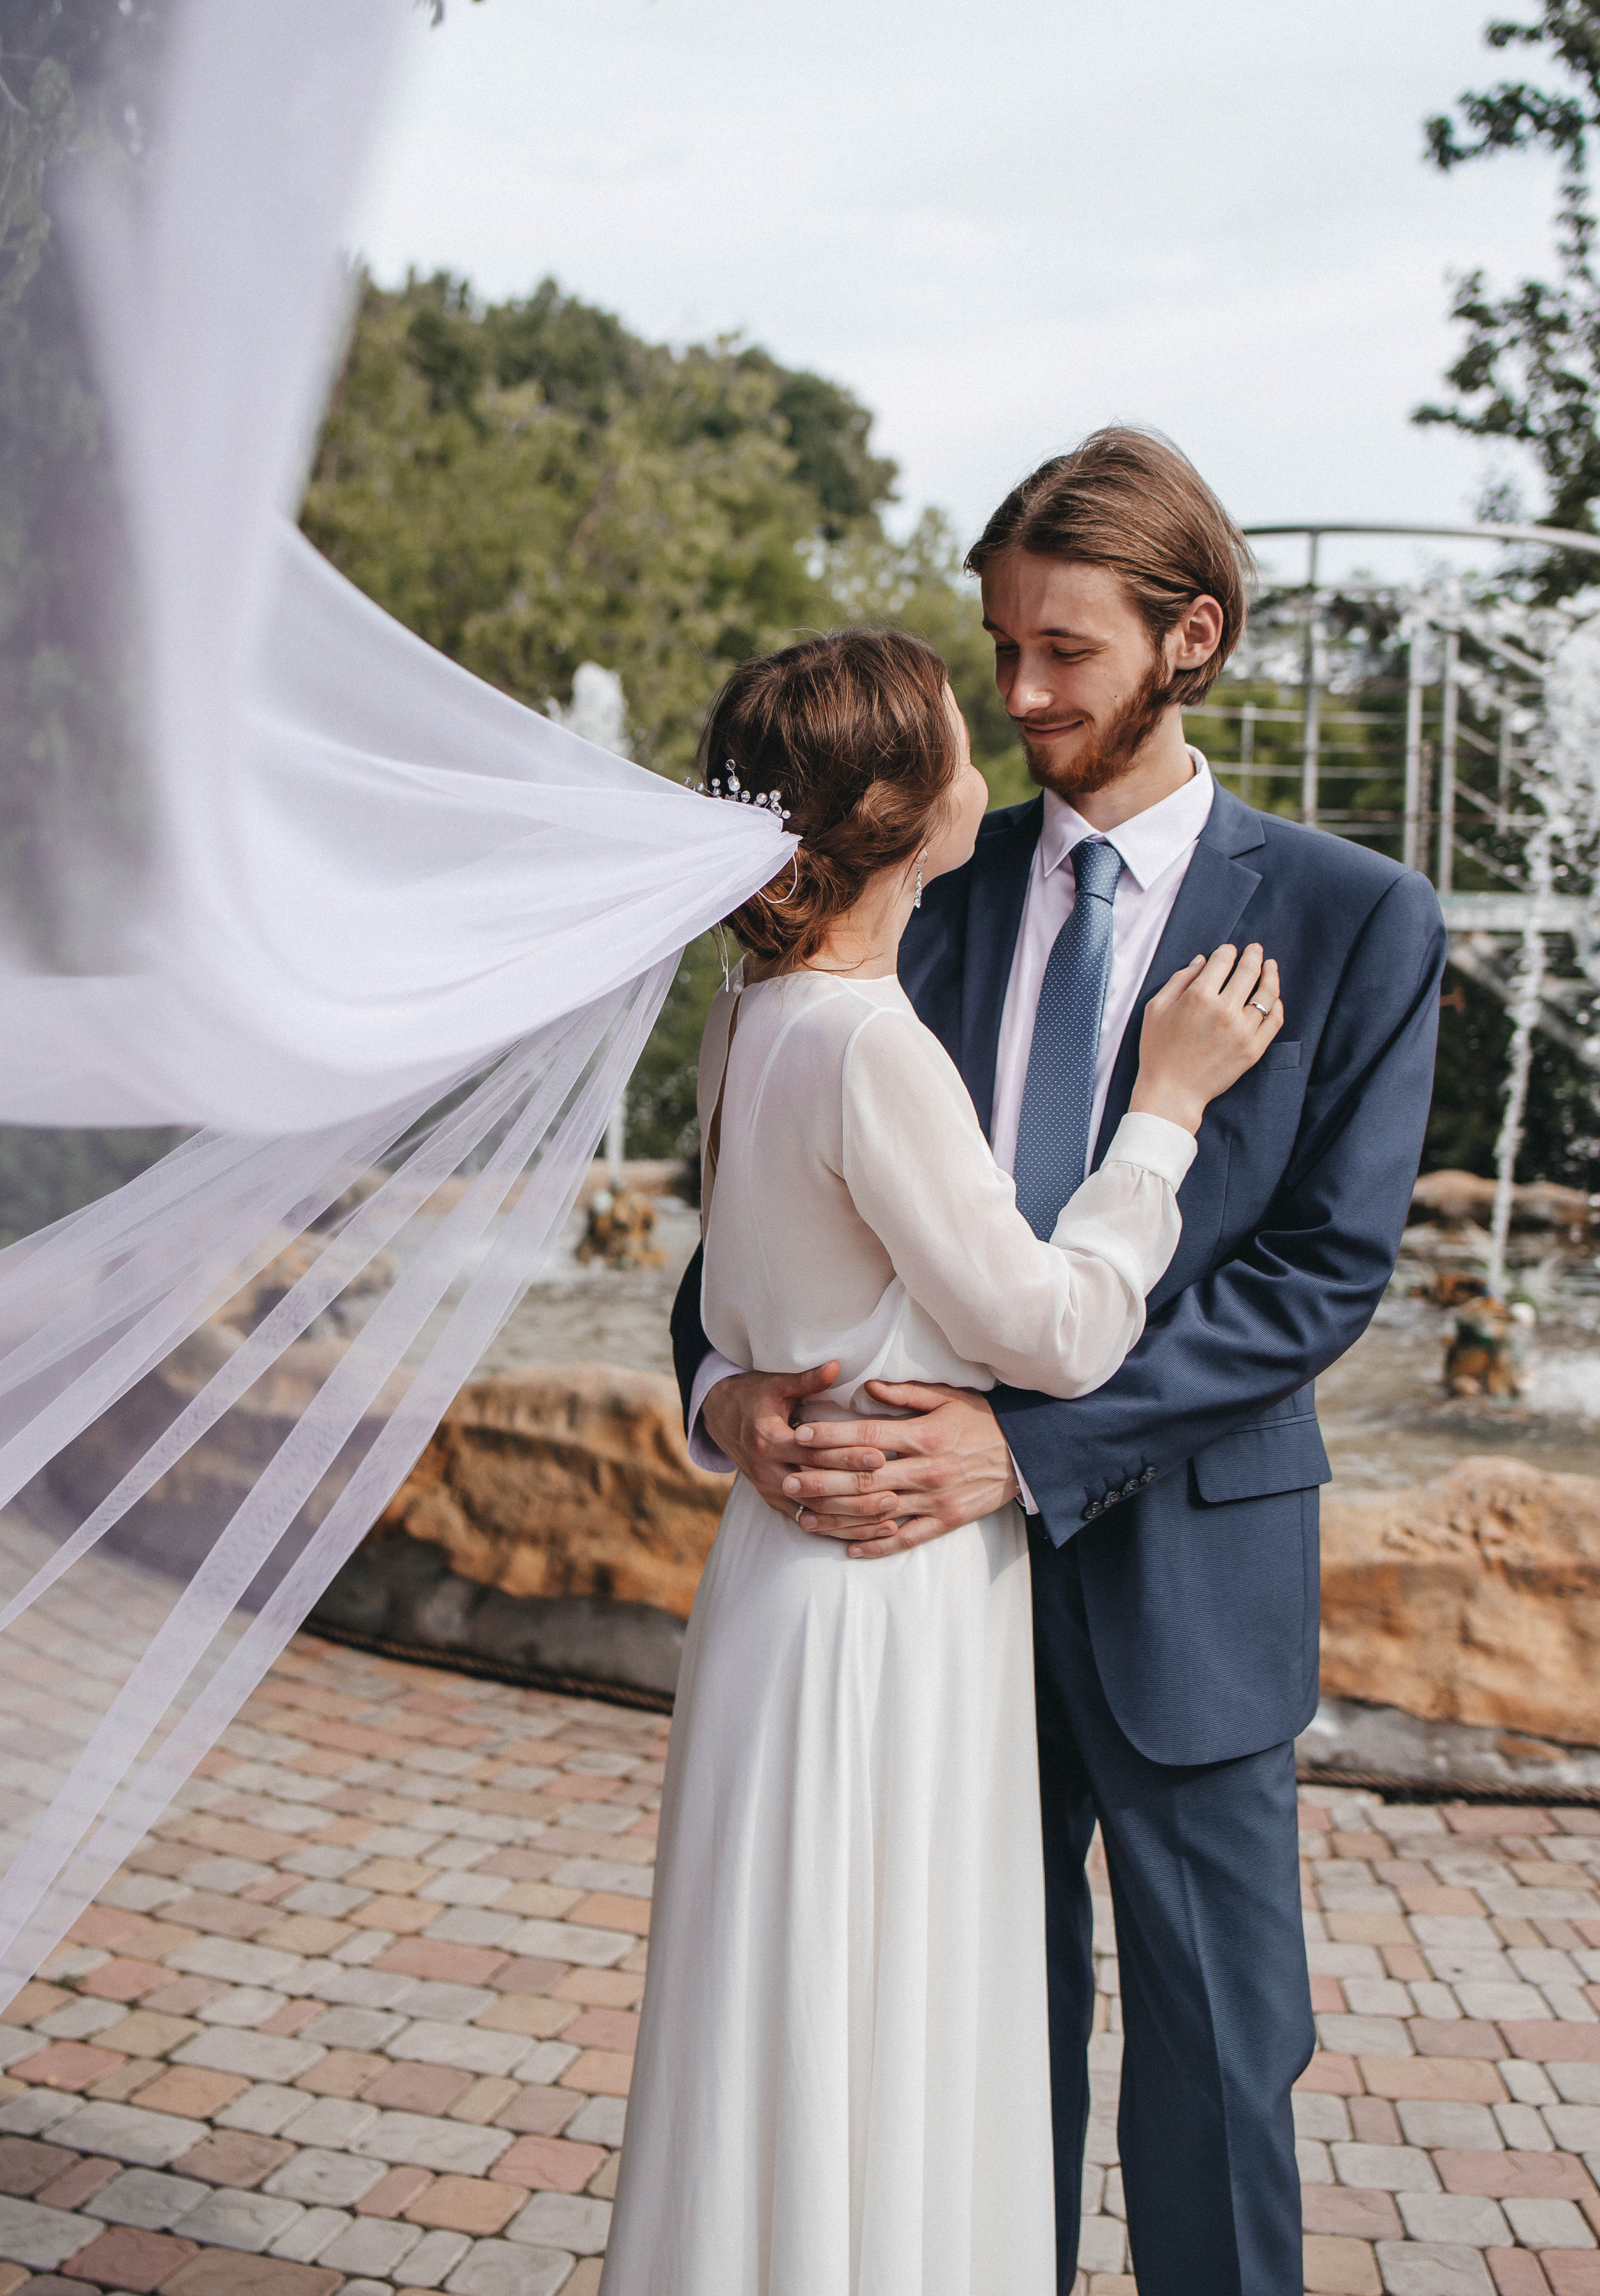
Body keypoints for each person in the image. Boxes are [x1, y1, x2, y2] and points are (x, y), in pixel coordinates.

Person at [674, 429, 1447, 2296]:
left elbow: (1316, 1275)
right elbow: (741, 1222)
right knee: (948, 2059)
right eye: (1001, 647)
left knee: (1218, 2066)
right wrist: (727, 1389)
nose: (1019, 695)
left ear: (1189, 640)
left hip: (1188, 1572)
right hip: (919, 1608)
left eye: (1066, 653)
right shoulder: (910, 875)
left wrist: (1021, 1455)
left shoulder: (1355, 920)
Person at [602, 624, 1285, 2295]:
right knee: (877, 2008)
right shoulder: (867, 1042)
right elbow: (1051, 1332)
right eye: (957, 732)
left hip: (780, 1576)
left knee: (781, 2013)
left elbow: (778, 1292)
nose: (999, 738)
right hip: (884, 1602)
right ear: (908, 812)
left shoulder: (741, 1016)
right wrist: (1166, 1111)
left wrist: (734, 1401)